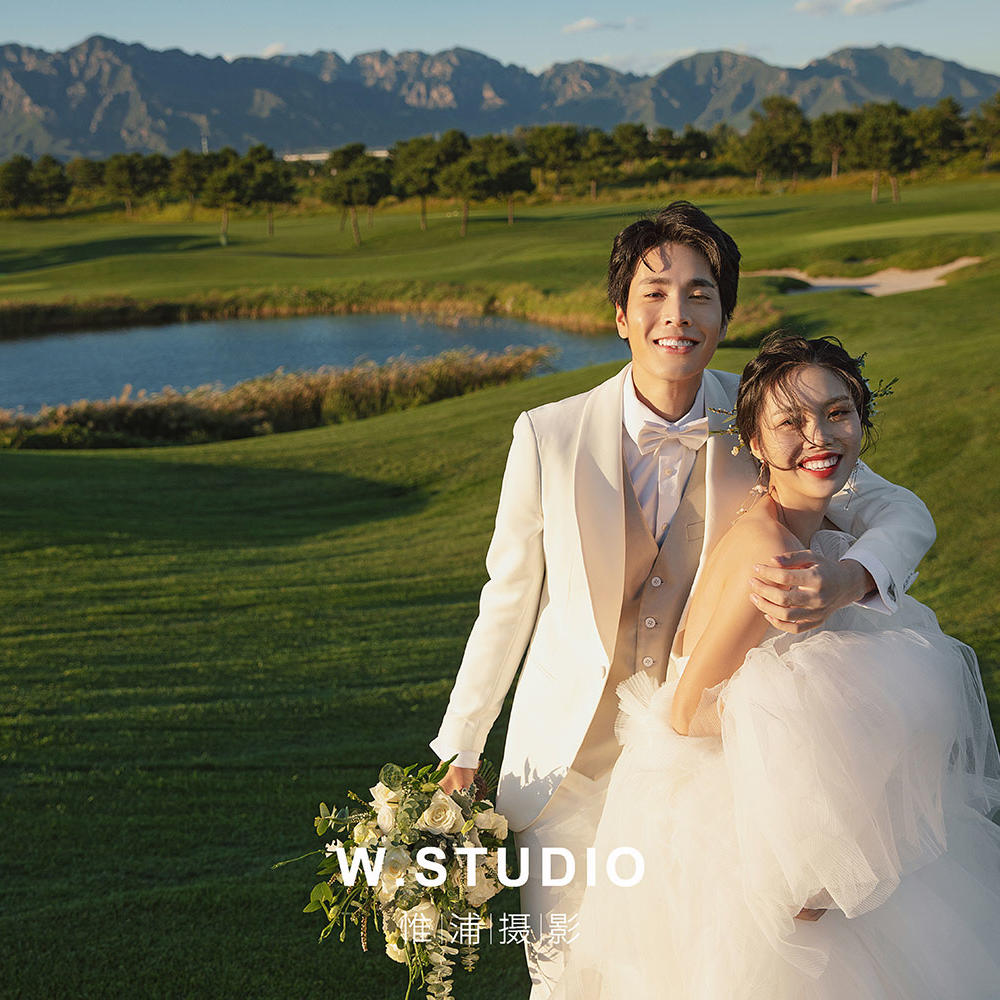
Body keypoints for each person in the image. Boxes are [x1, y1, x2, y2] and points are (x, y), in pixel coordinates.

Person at [429, 202, 936, 998]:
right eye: (656, 293)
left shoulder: (766, 414)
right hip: (567, 768)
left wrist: (851, 578)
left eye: (701, 294)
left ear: (725, 316)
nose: (678, 314)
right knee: (563, 978)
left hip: (699, 775)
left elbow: (901, 510)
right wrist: (462, 748)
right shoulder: (548, 434)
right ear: (620, 314)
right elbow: (509, 599)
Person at [552, 333, 1000, 999]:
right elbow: (688, 711)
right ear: (756, 443)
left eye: (838, 413)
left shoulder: (818, 526)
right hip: (734, 818)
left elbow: (905, 514)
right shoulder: (773, 558)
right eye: (791, 421)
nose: (819, 435)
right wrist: (804, 835)